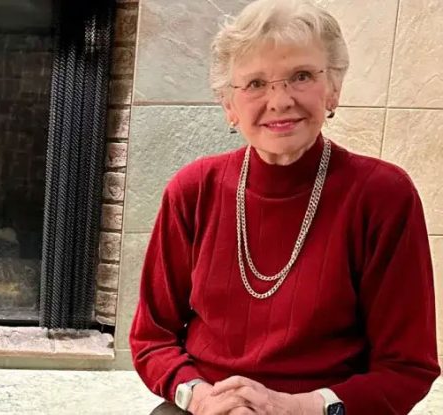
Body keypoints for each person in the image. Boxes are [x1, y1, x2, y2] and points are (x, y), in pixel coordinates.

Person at [129, 0, 440, 414]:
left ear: (333, 89)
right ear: (229, 105)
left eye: (302, 76)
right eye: (255, 83)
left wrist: (294, 407)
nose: (279, 101)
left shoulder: (383, 195)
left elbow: (407, 367)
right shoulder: (193, 190)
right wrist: (202, 398)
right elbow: (153, 339)